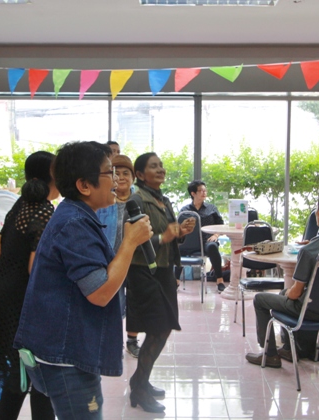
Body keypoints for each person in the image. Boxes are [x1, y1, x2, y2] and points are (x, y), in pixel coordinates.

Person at [13, 142, 152, 419]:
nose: (116, 180)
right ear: (84, 185)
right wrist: (130, 243)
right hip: (66, 354)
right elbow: (100, 292)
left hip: (69, 347)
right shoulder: (74, 223)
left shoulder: (78, 215)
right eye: (109, 172)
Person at [0, 151, 59, 420]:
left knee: (19, 373)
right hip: (21, 301)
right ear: (52, 176)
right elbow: (35, 269)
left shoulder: (20, 205)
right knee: (38, 374)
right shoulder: (44, 210)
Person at [245, 190, 319, 368]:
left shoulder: (310, 249)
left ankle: (270, 354)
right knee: (284, 293)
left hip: (308, 311)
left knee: (261, 299)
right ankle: (291, 348)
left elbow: (296, 293)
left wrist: (288, 294)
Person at [126, 152, 195, 413]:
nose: (161, 169)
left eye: (161, 165)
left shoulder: (162, 199)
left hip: (163, 270)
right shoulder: (136, 201)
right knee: (158, 328)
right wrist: (162, 238)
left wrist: (180, 233)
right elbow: (130, 243)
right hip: (144, 271)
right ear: (140, 174)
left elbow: (169, 234)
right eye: (153, 166)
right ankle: (139, 388)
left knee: (161, 328)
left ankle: (139, 380)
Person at [95, 154, 142, 358]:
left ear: (133, 177)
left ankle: (132, 341)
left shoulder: (140, 200)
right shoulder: (104, 200)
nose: (121, 177)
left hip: (137, 261)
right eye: (117, 173)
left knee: (135, 303)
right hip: (110, 261)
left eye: (126, 173)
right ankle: (110, 342)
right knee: (113, 303)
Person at [176, 180, 227, 293]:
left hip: (207, 241)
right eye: (201, 191)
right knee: (177, 248)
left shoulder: (212, 208)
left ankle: (220, 280)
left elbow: (221, 225)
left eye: (205, 190)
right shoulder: (185, 210)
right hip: (189, 242)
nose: (204, 193)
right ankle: (176, 281)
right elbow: (178, 228)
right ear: (193, 193)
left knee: (213, 246)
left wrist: (216, 234)